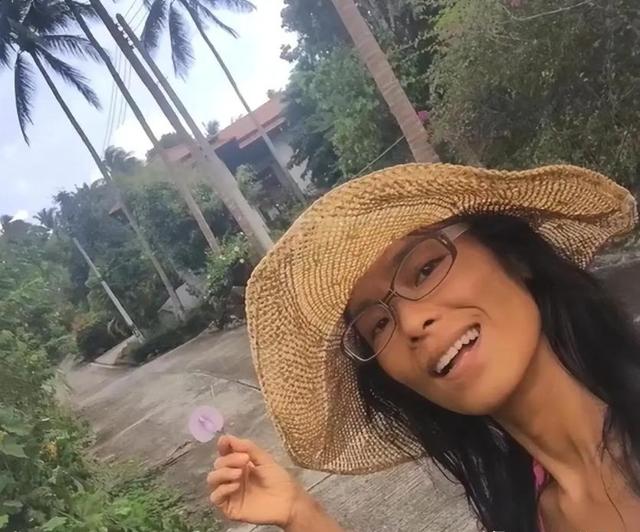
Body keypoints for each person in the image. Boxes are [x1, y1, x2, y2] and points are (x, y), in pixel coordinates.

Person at [206, 164, 640, 531]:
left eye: (426, 269)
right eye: (378, 324)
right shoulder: (526, 515)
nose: (411, 324)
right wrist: (302, 514)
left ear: (514, 256)